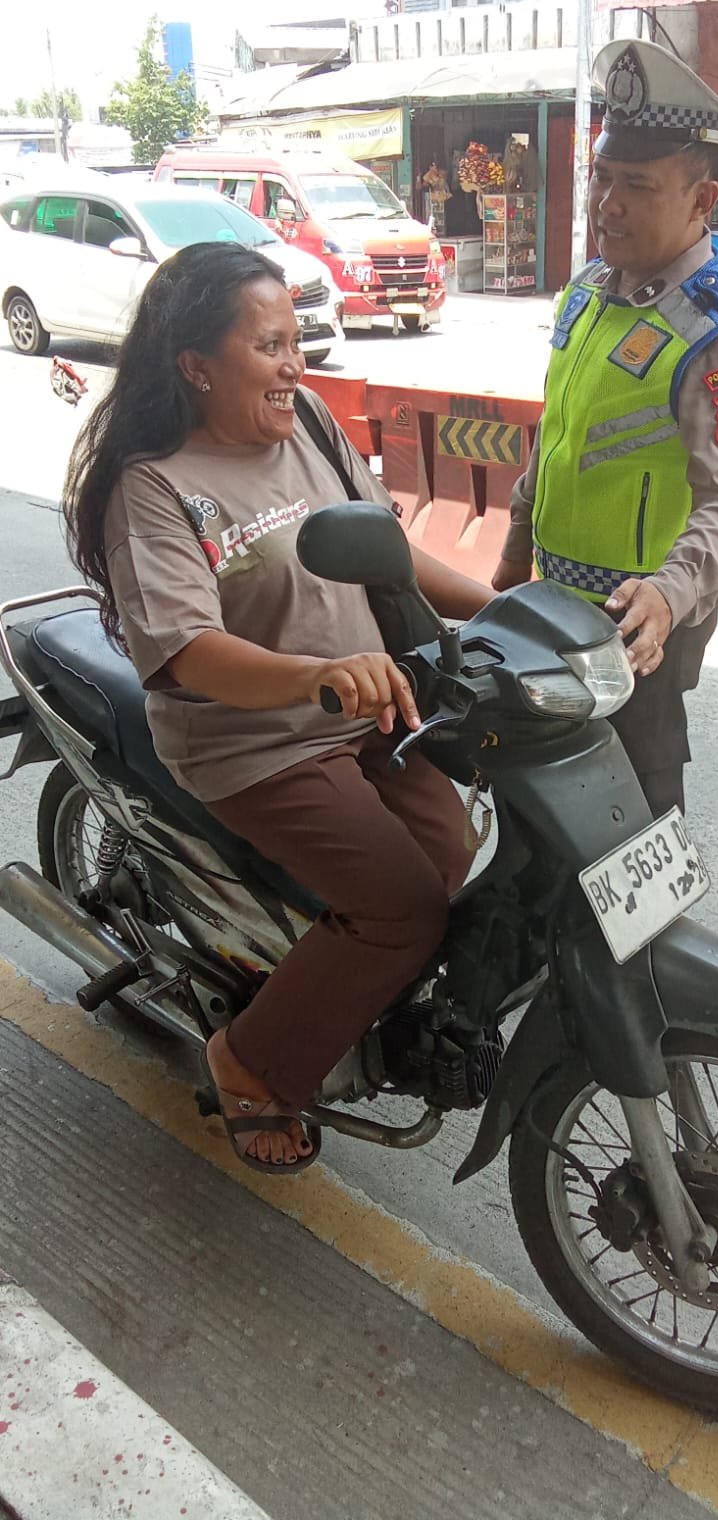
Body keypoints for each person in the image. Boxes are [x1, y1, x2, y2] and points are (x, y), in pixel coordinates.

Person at [63, 241, 493, 1176]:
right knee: (402, 912)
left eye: (296, 340)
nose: (294, 363)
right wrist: (313, 676)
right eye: (269, 345)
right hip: (252, 741)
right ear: (197, 366)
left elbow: (385, 545)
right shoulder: (155, 484)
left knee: (461, 855)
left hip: (362, 704)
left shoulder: (302, 419)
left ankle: (318, 978)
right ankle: (250, 1063)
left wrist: (498, 605)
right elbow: (187, 652)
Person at [493, 40, 718, 817]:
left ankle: (648, 945)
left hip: (640, 636)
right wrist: (515, 545)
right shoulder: (590, 292)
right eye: (602, 178)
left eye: (637, 186)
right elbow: (562, 432)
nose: (606, 204)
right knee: (540, 829)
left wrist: (668, 592)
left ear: (701, 201)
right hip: (550, 615)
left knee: (632, 850)